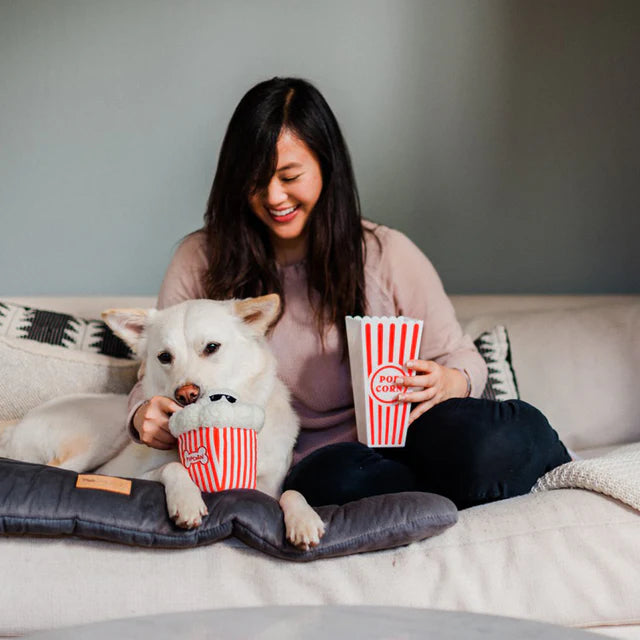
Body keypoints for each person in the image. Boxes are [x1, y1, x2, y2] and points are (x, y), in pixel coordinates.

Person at [126, 77, 570, 510]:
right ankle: (456, 487)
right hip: (306, 464)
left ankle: (463, 477)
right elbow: (154, 370)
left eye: (289, 175)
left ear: (326, 164)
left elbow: (462, 357)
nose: (273, 195)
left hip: (409, 435)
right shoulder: (202, 258)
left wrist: (452, 380)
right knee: (342, 479)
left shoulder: (385, 253)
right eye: (255, 180)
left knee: (494, 439)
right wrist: (141, 415)